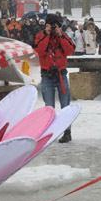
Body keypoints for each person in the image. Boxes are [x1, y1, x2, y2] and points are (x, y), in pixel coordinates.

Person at [33, 14, 75, 143]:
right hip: (47, 75)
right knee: (49, 107)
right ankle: (50, 132)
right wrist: (47, 34)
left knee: (65, 106)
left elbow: (70, 50)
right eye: (51, 25)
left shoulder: (62, 35)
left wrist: (60, 35)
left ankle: (67, 132)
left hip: (61, 74)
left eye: (55, 25)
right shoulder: (40, 36)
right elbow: (40, 51)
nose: (52, 27)